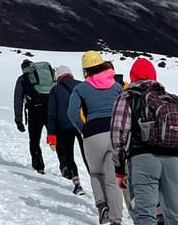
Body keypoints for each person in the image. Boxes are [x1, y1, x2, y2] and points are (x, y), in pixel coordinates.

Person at [110, 58, 178, 225]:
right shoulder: (170, 99)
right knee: (176, 216)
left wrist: (119, 169)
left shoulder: (127, 97)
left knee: (145, 216)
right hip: (173, 162)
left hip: (142, 159)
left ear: (133, 77)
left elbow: (118, 134)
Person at [67, 51, 124, 225]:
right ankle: (116, 220)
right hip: (115, 133)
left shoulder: (81, 88)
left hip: (92, 134)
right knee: (113, 179)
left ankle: (102, 207)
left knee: (96, 173)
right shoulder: (116, 86)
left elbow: (72, 112)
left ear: (85, 69)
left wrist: (84, 129)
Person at [47, 65, 87, 195]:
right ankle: (97, 183)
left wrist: (51, 134)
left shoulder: (55, 90)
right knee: (87, 155)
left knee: (69, 156)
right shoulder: (82, 85)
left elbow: (51, 114)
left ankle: (77, 184)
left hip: (64, 127)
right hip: (82, 126)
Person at [14, 59, 55, 174]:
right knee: (56, 137)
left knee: (34, 140)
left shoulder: (23, 79)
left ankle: (39, 166)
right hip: (50, 109)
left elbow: (18, 99)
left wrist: (19, 120)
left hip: (34, 111)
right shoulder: (45, 77)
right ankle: (66, 165)